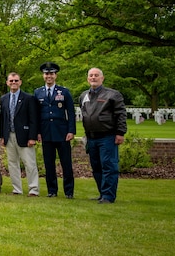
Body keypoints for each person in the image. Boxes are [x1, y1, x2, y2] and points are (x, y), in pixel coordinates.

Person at [80, 68, 126, 204]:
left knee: (108, 166)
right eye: (91, 76)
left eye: (96, 75)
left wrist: (120, 133)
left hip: (107, 136)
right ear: (88, 79)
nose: (93, 78)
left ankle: (108, 195)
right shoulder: (84, 96)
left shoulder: (112, 95)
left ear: (102, 78)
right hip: (91, 137)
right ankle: (102, 193)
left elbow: (121, 114)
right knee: (96, 167)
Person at [34, 62, 77, 198]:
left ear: (55, 75)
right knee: (49, 164)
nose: (49, 76)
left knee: (66, 164)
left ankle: (69, 192)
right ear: (43, 76)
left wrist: (71, 131)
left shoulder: (64, 92)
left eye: (51, 73)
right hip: (46, 133)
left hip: (62, 132)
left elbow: (71, 112)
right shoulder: (38, 92)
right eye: (46, 74)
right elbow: (36, 114)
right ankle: (52, 190)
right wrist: (38, 132)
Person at [0, 72, 40, 196]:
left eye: (16, 80)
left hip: (24, 135)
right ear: (7, 83)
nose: (13, 83)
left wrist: (32, 137)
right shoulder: (4, 98)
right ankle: (17, 189)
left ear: (20, 82)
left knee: (29, 163)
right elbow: (3, 119)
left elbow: (34, 119)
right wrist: (2, 136)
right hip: (9, 135)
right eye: (11, 81)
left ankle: (33, 190)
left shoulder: (29, 98)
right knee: (12, 163)